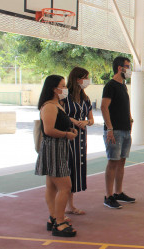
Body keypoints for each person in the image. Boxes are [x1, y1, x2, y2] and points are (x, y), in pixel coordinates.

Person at [35, 75, 78, 237]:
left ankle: (53, 217)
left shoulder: (57, 105)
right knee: (65, 186)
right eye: (63, 86)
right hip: (53, 149)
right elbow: (48, 130)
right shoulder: (49, 107)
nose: (65, 89)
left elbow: (59, 125)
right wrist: (67, 135)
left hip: (58, 148)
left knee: (52, 186)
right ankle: (59, 222)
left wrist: (70, 130)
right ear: (54, 89)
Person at [101, 56, 135, 209]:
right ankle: (108, 196)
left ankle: (118, 193)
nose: (129, 70)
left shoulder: (123, 86)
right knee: (113, 162)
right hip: (114, 131)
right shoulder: (110, 86)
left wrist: (130, 120)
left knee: (122, 161)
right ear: (120, 68)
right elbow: (104, 107)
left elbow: (125, 107)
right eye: (128, 66)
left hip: (125, 129)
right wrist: (109, 128)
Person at [61, 67, 94, 215]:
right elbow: (60, 114)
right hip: (68, 136)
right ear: (76, 78)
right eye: (85, 77)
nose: (87, 81)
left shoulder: (85, 98)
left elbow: (91, 119)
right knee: (67, 168)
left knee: (76, 168)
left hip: (81, 137)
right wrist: (74, 120)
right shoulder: (65, 97)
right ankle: (65, 205)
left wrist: (85, 122)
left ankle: (70, 205)